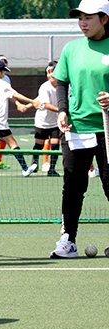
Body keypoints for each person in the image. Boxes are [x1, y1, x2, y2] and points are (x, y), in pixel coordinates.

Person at [50, 0, 109, 258]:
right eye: (80, 18)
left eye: (88, 17)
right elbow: (61, 83)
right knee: (73, 185)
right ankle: (67, 240)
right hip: (77, 128)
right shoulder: (71, 49)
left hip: (107, 129)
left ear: (104, 18)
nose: (82, 23)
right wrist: (62, 110)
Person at [0, 59, 41, 177]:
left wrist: (19, 104)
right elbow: (15, 94)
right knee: (13, 144)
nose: (4, 74)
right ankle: (25, 168)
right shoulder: (2, 83)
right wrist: (32, 101)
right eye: (3, 71)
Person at [30, 61, 61, 176]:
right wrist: (61, 110)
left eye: (53, 72)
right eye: (48, 72)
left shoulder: (64, 86)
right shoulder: (44, 87)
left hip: (55, 123)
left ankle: (51, 169)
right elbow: (47, 105)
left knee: (55, 146)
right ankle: (34, 163)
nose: (50, 75)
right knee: (38, 145)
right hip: (42, 122)